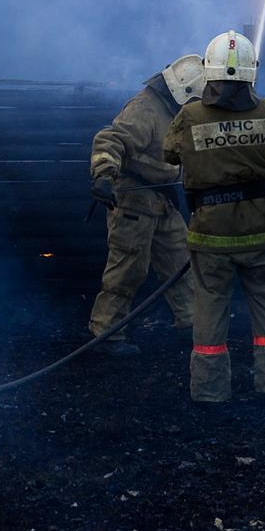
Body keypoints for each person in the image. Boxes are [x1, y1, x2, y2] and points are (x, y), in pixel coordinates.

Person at [163, 31, 265, 405]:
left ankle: (209, 392)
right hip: (264, 231)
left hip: (211, 235)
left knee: (209, 303)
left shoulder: (189, 116)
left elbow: (170, 154)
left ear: (208, 73)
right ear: (252, 72)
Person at [85, 55, 203, 355]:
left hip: (162, 200)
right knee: (127, 270)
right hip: (133, 203)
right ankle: (107, 335)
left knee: (181, 263)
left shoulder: (172, 110)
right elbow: (110, 140)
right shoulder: (145, 109)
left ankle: (195, 325)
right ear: (185, 91)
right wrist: (103, 174)